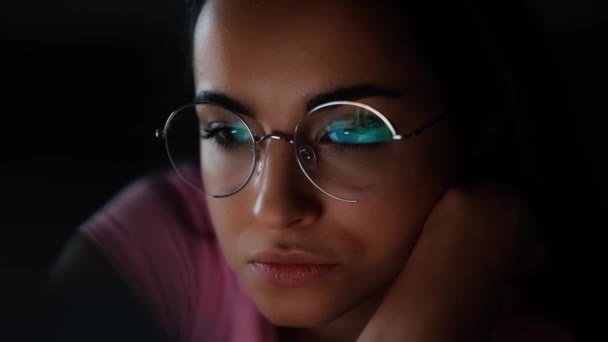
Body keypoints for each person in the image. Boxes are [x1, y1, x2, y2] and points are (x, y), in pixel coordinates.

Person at [43, 0, 594, 341]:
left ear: (476, 131)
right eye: (227, 132)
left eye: (348, 133)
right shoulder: (168, 236)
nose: (274, 209)